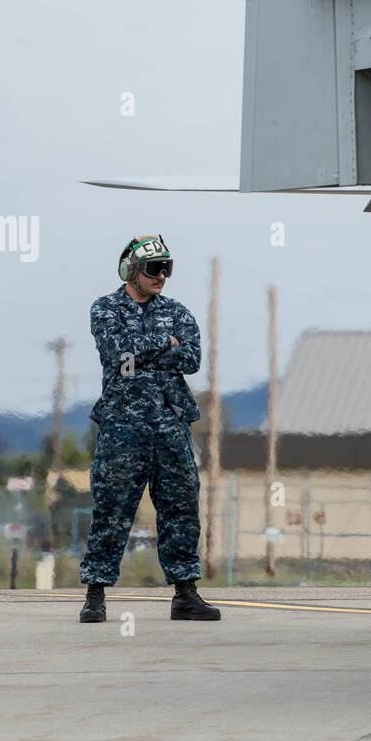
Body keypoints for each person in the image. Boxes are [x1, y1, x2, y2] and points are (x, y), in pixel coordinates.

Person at [77, 234, 220, 623]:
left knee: (181, 507)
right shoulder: (105, 308)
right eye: (154, 269)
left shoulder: (178, 311)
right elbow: (117, 353)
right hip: (121, 426)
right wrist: (163, 343)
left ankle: (185, 593)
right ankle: (95, 595)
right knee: (112, 507)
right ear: (131, 270)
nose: (162, 276)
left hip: (170, 424)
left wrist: (143, 350)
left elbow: (190, 359)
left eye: (166, 268)